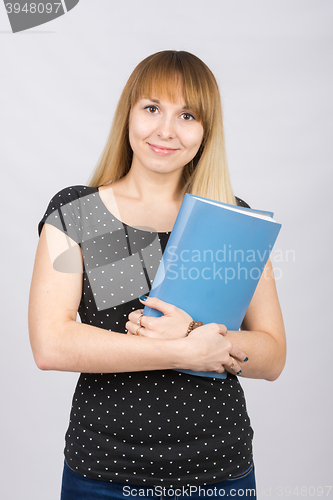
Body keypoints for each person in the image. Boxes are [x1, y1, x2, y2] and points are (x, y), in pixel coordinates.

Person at [28, 50, 286, 499]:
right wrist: (186, 352)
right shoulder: (80, 213)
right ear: (128, 114)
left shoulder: (233, 220)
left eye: (187, 115)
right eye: (152, 108)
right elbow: (51, 344)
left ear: (206, 131)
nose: (166, 130)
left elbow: (272, 354)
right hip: (104, 473)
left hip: (220, 473)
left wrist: (196, 332)